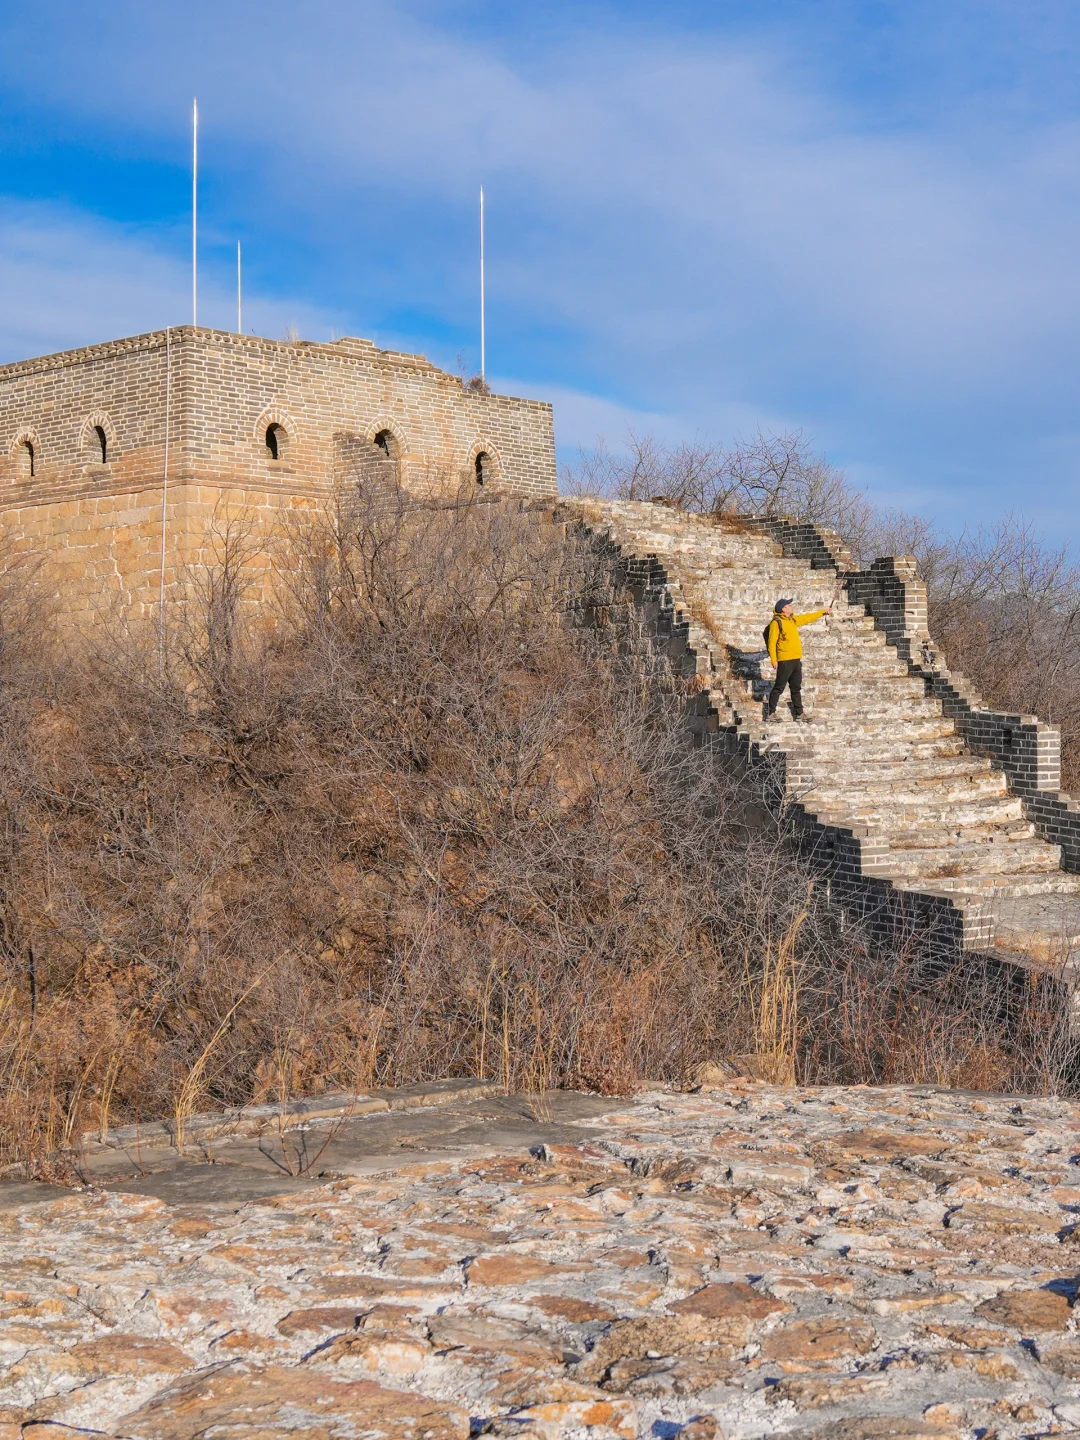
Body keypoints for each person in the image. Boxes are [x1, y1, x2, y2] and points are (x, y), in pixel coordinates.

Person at [764, 597, 831, 723]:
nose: (791, 606)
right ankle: (771, 713)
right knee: (779, 687)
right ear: (783, 609)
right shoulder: (776, 623)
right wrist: (774, 660)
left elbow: (806, 618)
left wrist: (823, 612)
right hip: (785, 660)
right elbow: (771, 643)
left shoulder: (792, 619)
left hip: (795, 659)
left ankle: (800, 713)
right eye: (789, 605)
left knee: (796, 688)